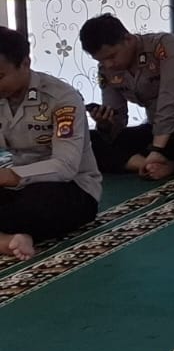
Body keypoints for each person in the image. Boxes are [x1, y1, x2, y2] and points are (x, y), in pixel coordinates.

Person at [79, 14, 174, 181]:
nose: (108, 64)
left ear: (128, 39)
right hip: (156, 132)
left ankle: (169, 163)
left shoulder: (167, 46)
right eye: (101, 60)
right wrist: (105, 124)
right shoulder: (106, 70)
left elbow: (170, 101)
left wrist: (157, 149)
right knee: (89, 142)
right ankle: (147, 165)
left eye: (112, 56)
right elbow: (118, 121)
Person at [0, 27, 100, 259]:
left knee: (39, 205)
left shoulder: (61, 98)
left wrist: (10, 176)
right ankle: (7, 241)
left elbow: (65, 166)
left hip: (70, 188)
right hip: (17, 188)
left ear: (25, 63)